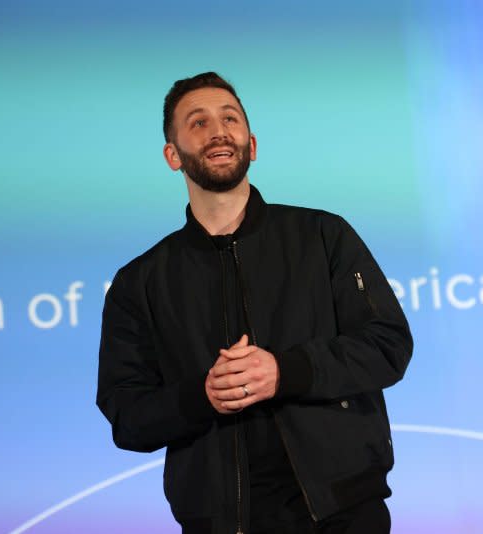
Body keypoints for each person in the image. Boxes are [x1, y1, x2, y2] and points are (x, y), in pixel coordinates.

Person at [96, 72, 413, 534]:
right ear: (172, 155)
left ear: (252, 143)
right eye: (198, 123)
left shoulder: (323, 235)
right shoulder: (139, 282)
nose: (219, 131)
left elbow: (387, 345)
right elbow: (127, 417)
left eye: (230, 118)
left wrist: (286, 371)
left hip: (344, 513)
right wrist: (201, 396)